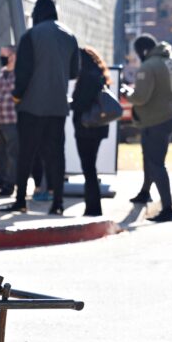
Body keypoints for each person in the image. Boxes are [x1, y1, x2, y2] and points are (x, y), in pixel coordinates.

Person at [0, 0, 79, 215]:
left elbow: (23, 74)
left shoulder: (30, 36)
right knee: (56, 155)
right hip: (58, 106)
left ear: (37, 14)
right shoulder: (69, 36)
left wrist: (17, 97)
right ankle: (58, 203)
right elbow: (74, 72)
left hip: (31, 106)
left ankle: (20, 201)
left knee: (27, 153)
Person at [124, 34, 172, 223]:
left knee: (156, 162)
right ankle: (145, 192)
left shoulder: (149, 66)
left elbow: (140, 97)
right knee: (149, 156)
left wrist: (126, 93)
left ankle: (168, 209)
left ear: (143, 50)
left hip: (157, 119)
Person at [70, 47, 111, 216]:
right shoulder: (99, 75)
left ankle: (93, 207)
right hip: (98, 128)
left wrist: (71, 103)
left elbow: (81, 103)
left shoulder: (87, 77)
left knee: (88, 168)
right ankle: (93, 206)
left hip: (86, 128)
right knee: (90, 167)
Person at [0, 44, 18, 196]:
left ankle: (10, 185)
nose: (2, 57)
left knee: (12, 154)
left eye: (4, 54)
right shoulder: (2, 72)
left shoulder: (19, 73)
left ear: (13, 56)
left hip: (13, 118)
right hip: (0, 118)